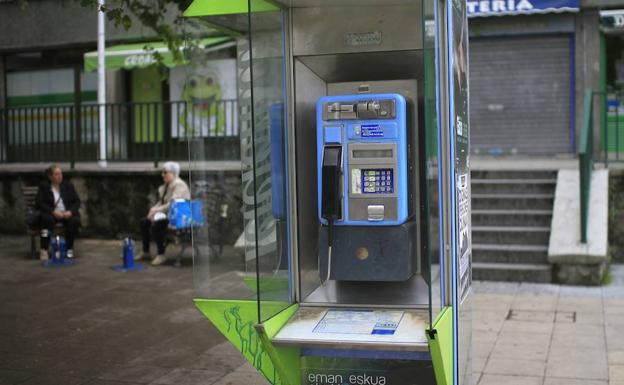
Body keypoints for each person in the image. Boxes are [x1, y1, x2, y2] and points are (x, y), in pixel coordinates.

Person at [140, 161, 190, 266]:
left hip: (179, 217)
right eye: (162, 172)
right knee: (144, 222)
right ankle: (146, 252)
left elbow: (172, 204)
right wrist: (153, 209)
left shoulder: (179, 185)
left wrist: (156, 211)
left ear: (173, 173)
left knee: (157, 224)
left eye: (165, 172)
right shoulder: (167, 186)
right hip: (169, 215)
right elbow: (162, 202)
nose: (163, 174)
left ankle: (161, 254)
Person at [35, 165, 81, 260]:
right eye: (56, 174)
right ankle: (44, 250)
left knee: (74, 221)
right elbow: (39, 203)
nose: (60, 176)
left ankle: (69, 249)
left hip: (65, 213)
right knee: (46, 220)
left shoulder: (68, 185)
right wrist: (52, 211)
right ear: (50, 176)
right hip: (51, 214)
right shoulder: (44, 186)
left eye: (60, 173)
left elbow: (77, 201)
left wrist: (70, 212)